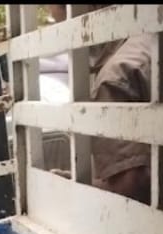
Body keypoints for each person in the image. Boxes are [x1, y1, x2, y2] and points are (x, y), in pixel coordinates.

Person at [47, 4, 154, 204]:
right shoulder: (159, 30)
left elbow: (133, 187)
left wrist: (72, 187)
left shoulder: (116, 76)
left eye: (59, 24)